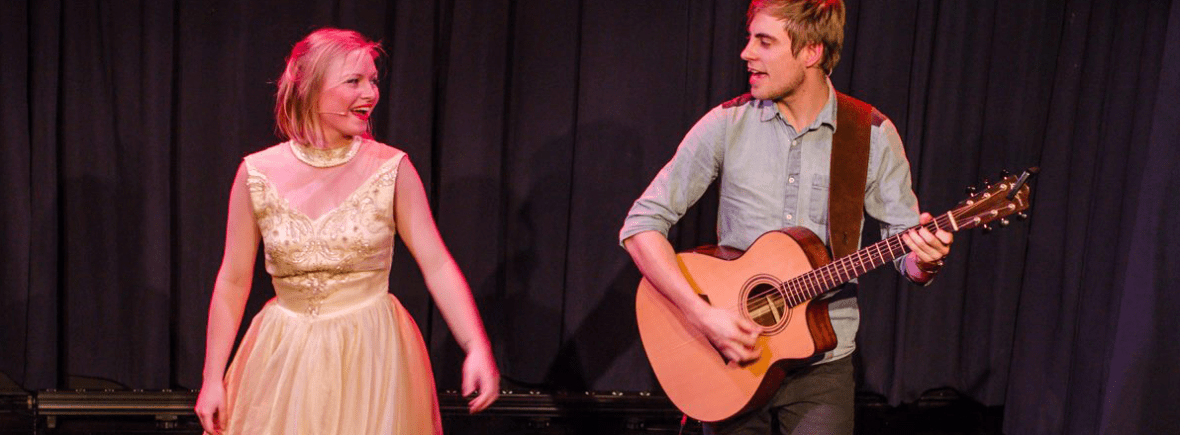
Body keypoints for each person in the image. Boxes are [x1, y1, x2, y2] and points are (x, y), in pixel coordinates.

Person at [619, 1, 952, 434]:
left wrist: (925, 260)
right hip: (730, 360)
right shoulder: (728, 123)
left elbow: (907, 255)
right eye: (750, 38)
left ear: (811, 51)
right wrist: (702, 316)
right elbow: (641, 225)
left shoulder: (870, 134)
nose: (746, 53)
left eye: (764, 41)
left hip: (822, 367)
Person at [194, 28, 499, 435]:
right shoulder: (257, 173)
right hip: (285, 356)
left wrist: (476, 345)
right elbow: (233, 280)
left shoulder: (390, 168)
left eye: (372, 80)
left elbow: (437, 264)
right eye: (353, 81)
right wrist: (212, 378)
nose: (370, 93)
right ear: (310, 87)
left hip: (369, 353)